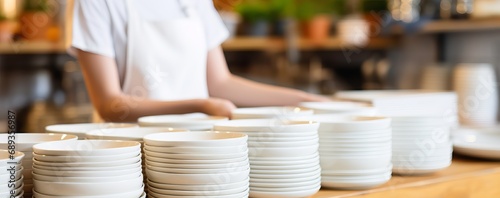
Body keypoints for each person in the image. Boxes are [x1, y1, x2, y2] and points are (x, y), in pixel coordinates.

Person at [67, 0, 328, 122]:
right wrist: (200, 105)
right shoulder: (94, 3)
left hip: (199, 147)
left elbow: (221, 83)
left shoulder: (193, 2)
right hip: (129, 153)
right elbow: (111, 105)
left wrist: (301, 99)